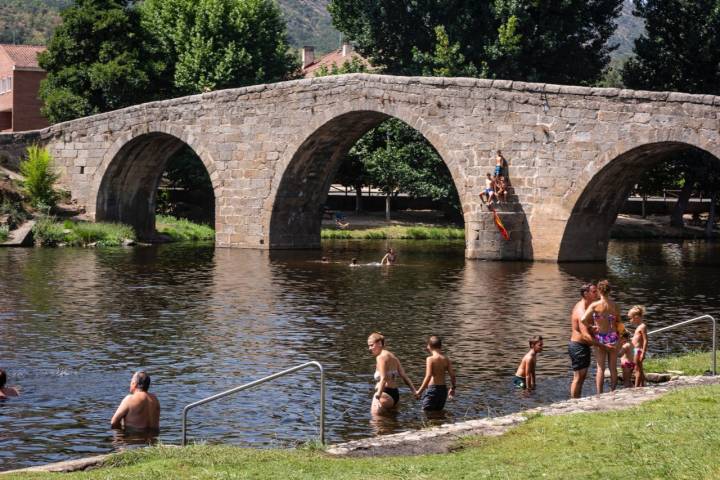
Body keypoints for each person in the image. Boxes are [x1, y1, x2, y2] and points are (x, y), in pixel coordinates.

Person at [582, 280, 621, 393]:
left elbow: (583, 319)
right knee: (613, 367)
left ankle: (600, 393)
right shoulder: (615, 305)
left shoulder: (595, 305)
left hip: (600, 337)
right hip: (613, 337)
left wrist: (591, 327)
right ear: (610, 291)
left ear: (599, 291)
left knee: (600, 368)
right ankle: (613, 391)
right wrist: (624, 336)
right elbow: (619, 323)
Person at [367, 332, 417, 415]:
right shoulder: (394, 357)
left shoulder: (381, 357)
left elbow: (383, 379)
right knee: (392, 423)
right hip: (395, 395)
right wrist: (414, 391)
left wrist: (378, 395)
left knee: (376, 422)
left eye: (372, 345)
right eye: (369, 346)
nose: (369, 348)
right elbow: (404, 376)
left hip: (384, 394)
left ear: (379, 343)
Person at [569, 282, 599, 398]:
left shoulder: (588, 307)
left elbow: (587, 329)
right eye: (594, 291)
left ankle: (577, 398)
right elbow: (585, 336)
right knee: (579, 376)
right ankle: (574, 402)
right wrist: (603, 345)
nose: (597, 293)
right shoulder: (581, 310)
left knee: (582, 375)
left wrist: (593, 328)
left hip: (583, 346)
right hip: (578, 346)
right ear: (586, 294)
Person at [415, 336, 456, 411]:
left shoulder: (430, 359)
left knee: (426, 412)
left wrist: (419, 392)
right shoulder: (446, 359)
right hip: (443, 391)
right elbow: (452, 376)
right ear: (440, 346)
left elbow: (428, 376)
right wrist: (453, 388)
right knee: (438, 412)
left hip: (432, 390)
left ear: (429, 346)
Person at [628, 305, 648, 387]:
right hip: (635, 349)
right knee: (639, 368)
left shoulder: (643, 326)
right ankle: (643, 385)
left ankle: (636, 387)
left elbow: (645, 340)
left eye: (631, 318)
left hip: (638, 350)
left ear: (636, 317)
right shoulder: (639, 327)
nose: (630, 321)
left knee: (637, 369)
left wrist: (643, 352)